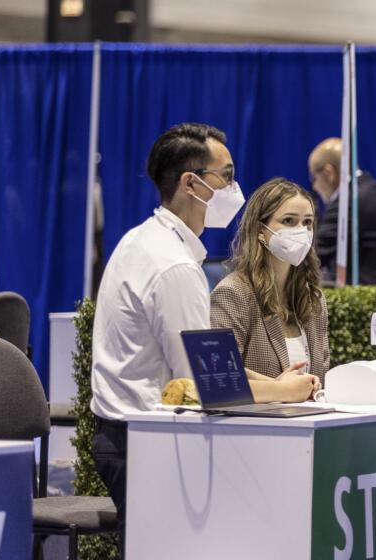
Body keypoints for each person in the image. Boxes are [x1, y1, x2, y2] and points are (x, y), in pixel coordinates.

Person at [90, 124, 318, 552]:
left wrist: (278, 384)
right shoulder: (173, 266)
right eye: (226, 176)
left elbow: (212, 363)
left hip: (132, 434)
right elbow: (208, 382)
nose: (234, 188)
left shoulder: (143, 241)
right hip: (144, 441)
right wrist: (284, 390)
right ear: (191, 184)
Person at [210, 177, 330, 380]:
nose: (301, 230)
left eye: (307, 222)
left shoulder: (314, 300)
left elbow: (322, 377)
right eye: (289, 221)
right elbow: (221, 374)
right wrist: (279, 389)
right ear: (260, 230)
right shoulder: (232, 294)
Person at [308, 137, 376, 285]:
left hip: (361, 291)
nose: (314, 187)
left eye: (314, 178)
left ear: (329, 172)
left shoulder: (348, 202)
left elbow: (314, 255)